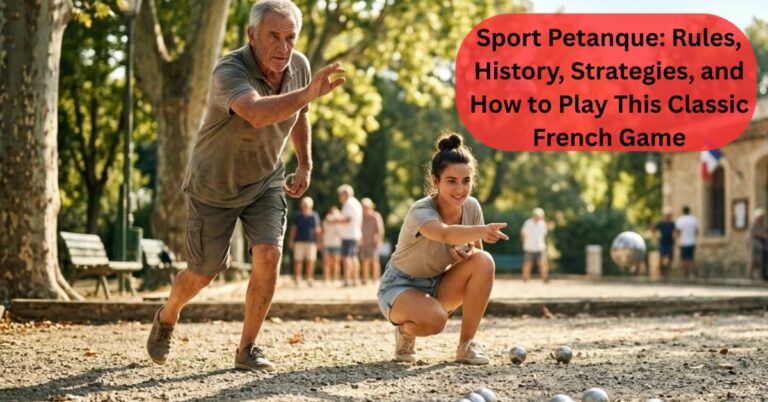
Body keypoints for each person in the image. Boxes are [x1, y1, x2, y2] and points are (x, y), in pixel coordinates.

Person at [146, 0, 345, 372]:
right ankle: (168, 313)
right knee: (203, 272)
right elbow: (255, 113)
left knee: (269, 256)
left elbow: (300, 115)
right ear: (251, 34)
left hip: (265, 180)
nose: (284, 48)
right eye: (274, 36)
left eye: (290, 38)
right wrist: (306, 95)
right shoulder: (229, 70)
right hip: (213, 186)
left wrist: (305, 164)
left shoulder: (298, 67)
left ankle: (248, 347)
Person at [377, 133, 508, 365]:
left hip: (437, 284)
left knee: (485, 261)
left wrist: (462, 256)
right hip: (400, 286)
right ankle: (405, 332)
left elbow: (475, 257)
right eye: (451, 181)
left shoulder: (472, 207)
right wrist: (481, 230)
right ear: (436, 181)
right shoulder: (421, 211)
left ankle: (466, 346)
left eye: (466, 181)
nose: (460, 189)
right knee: (436, 321)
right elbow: (445, 233)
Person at [332, 184, 363, 286]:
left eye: (340, 194)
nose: (339, 197)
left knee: (346, 257)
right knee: (354, 257)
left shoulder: (348, 204)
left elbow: (348, 219)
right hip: (355, 234)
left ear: (345, 194)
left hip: (348, 235)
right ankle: (355, 279)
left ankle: (347, 280)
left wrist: (334, 220)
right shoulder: (356, 203)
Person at [287, 197, 321, 286]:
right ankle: (298, 278)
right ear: (301, 205)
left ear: (311, 205)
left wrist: (318, 241)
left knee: (311, 261)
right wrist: (291, 240)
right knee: (298, 261)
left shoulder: (314, 215)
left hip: (311, 242)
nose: (305, 206)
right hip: (299, 241)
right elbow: (293, 229)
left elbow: (317, 230)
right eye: (304, 204)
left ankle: (310, 279)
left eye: (307, 204)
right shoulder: (297, 215)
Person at [360, 197, 385, 284]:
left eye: (366, 207)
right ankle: (365, 279)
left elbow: (380, 230)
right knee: (365, 261)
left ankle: (376, 279)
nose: (365, 208)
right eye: (363, 207)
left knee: (374, 261)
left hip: (374, 243)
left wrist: (379, 241)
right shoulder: (361, 217)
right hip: (364, 243)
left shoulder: (375, 216)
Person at [520, 207, 549, 282]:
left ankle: (544, 278)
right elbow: (523, 234)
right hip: (529, 247)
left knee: (542, 263)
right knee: (527, 264)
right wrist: (525, 242)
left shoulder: (542, 224)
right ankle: (525, 278)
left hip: (540, 247)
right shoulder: (528, 223)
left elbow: (543, 235)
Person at [675, 206, 699, 279]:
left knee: (684, 259)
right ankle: (692, 273)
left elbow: (678, 232)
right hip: (692, 242)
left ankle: (686, 274)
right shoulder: (694, 219)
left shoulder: (680, 220)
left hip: (684, 242)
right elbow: (697, 232)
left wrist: (677, 240)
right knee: (691, 258)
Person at [321, 206, 343, 285]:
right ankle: (326, 279)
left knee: (336, 263)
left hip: (336, 244)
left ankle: (335, 279)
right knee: (326, 263)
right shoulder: (325, 222)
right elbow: (322, 232)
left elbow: (341, 234)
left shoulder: (340, 223)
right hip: (327, 243)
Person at [653, 207, 676, 277]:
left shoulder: (672, 224)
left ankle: (667, 272)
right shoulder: (661, 223)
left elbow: (676, 231)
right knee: (661, 258)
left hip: (670, 242)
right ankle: (661, 272)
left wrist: (674, 238)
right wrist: (656, 237)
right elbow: (653, 229)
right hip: (663, 242)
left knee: (670, 258)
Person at [749, 208, 767, 280]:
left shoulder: (764, 225)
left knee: (761, 260)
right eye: (760, 217)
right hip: (754, 244)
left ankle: (760, 276)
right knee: (753, 260)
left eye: (762, 217)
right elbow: (753, 233)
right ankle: (751, 276)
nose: (761, 218)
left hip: (762, 245)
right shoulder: (753, 224)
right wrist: (762, 235)